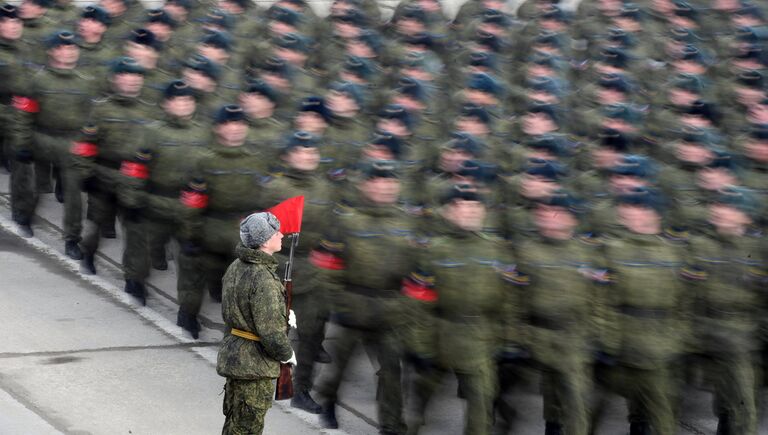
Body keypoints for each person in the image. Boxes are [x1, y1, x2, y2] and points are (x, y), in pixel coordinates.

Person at [217, 211, 296, 435]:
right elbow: (270, 333)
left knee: (234, 423)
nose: (281, 234)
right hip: (254, 365)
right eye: (276, 232)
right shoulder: (263, 278)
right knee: (247, 429)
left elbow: (237, 310)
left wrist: (283, 313)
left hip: (235, 357)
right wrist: (287, 353)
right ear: (263, 241)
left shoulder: (236, 266)